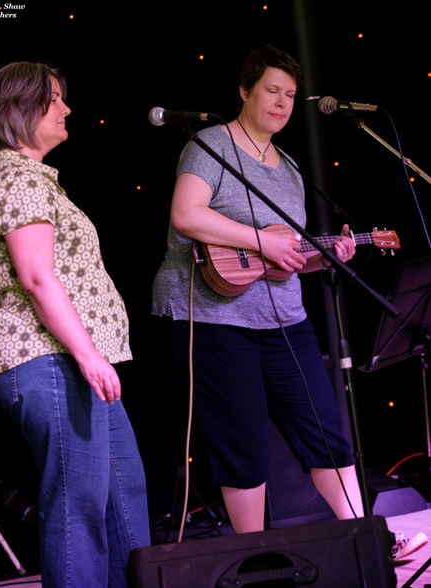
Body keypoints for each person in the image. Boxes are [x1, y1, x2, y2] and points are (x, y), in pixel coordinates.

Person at [151, 44, 428, 559]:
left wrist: (331, 255)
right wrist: (262, 240)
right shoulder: (209, 145)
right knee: (242, 442)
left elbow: (287, 254)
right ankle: (258, 557)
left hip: (283, 318)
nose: (281, 103)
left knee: (324, 427)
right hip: (214, 317)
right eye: (272, 91)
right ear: (244, 91)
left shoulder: (290, 167)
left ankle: (368, 539)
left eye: (290, 96)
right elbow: (187, 216)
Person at [0, 61, 151, 588]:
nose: (68, 110)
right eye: (57, 100)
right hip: (47, 359)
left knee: (123, 488)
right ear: (24, 108)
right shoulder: (18, 182)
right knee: (79, 495)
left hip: (76, 361)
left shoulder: (39, 180)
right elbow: (35, 276)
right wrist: (86, 354)